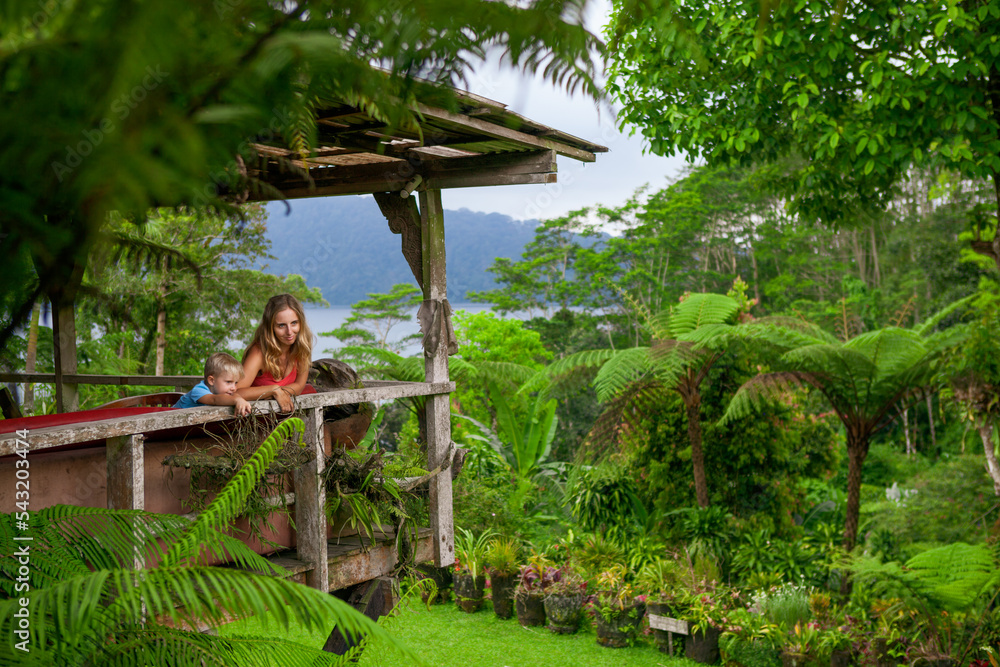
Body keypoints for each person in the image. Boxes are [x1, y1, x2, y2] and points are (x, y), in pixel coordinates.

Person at [237, 293, 314, 412]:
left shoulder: (301, 348)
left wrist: (278, 392)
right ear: (270, 327)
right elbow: (236, 392)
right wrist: (273, 390)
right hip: (255, 417)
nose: (289, 332)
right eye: (281, 325)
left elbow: (299, 386)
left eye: (294, 323)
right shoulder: (259, 353)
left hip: (283, 415)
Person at [174, 352, 252, 416]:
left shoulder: (222, 391)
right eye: (228, 382)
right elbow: (214, 399)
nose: (233, 388)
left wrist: (240, 399)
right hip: (171, 421)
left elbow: (234, 395)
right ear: (211, 380)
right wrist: (236, 400)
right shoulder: (198, 390)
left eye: (236, 383)